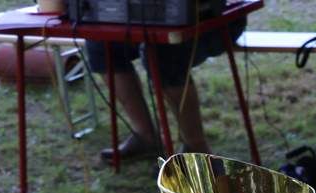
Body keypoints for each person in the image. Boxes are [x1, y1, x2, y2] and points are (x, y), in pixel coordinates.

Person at [85, 17, 245, 162]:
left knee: (163, 54)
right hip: (141, 20)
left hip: (213, 20)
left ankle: (196, 147)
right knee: (99, 43)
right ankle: (145, 137)